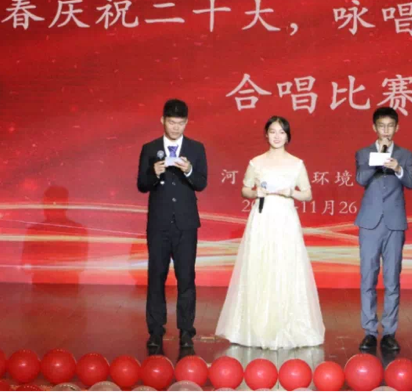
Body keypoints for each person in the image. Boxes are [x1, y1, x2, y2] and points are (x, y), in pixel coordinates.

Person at [215, 116, 325, 349]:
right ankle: (256, 327)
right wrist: (256, 192)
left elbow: (307, 194)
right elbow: (245, 189)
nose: (277, 136)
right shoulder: (256, 162)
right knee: (260, 266)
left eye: (281, 132)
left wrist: (290, 192)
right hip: (262, 219)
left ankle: (287, 325)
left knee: (285, 266)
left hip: (285, 220)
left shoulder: (296, 164)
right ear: (266, 134)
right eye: (273, 131)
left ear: (287, 136)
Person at [137, 99, 208, 355]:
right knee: (156, 276)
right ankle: (155, 331)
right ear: (162, 121)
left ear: (186, 123)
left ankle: (186, 332)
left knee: (186, 278)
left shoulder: (196, 148)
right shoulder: (150, 148)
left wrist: (189, 170)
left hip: (186, 224)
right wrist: (153, 173)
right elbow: (141, 185)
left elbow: (201, 183)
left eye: (180, 123)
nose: (176, 127)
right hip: (159, 224)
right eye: (171, 122)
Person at [355, 107, 412, 352]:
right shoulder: (364, 153)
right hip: (369, 223)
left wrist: (398, 168)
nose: (386, 130)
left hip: (394, 223)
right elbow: (361, 179)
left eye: (390, 126)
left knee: (392, 279)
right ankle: (369, 331)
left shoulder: (405, 154)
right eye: (382, 126)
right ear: (374, 128)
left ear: (397, 128)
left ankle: (389, 332)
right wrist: (378, 159)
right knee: (368, 278)